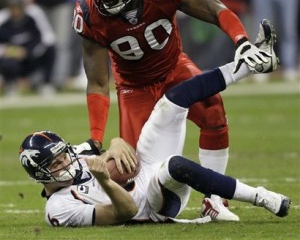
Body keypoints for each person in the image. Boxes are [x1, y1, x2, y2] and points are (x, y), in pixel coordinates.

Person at [19, 19, 290, 226]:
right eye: (55, 163)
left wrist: (115, 144)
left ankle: (251, 63)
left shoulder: (76, 155)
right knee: (176, 166)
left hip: (144, 168)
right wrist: (105, 181)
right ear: (39, 174)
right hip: (151, 204)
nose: (66, 162)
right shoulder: (59, 208)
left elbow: (107, 149)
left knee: (173, 101)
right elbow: (125, 212)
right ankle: (259, 196)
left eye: (63, 155)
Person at [72, 0, 272, 220]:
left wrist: (241, 41)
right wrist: (95, 139)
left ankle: (214, 200)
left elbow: (209, 6)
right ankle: (93, 199)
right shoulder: (88, 12)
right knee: (133, 168)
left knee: (213, 111)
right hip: (134, 87)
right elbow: (98, 83)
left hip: (174, 70)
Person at [0, 0, 56, 96]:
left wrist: (27, 52)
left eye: (16, 8)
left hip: (30, 56)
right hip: (13, 60)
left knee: (50, 50)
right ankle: (11, 85)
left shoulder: (30, 20)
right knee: (8, 62)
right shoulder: (5, 24)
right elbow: (3, 44)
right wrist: (12, 51)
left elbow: (43, 39)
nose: (15, 11)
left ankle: (46, 84)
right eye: (12, 8)